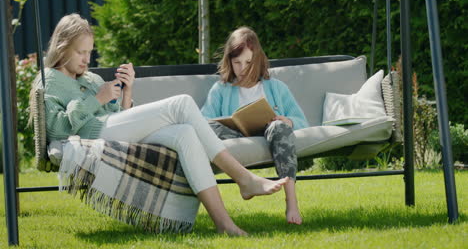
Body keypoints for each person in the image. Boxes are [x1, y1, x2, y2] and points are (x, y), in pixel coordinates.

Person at [31, 14, 289, 236]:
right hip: (95, 133)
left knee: (185, 133)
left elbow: (120, 116)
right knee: (182, 104)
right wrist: (97, 98)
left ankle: (224, 224)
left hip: (110, 128)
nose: (87, 59)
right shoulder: (49, 80)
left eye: (90, 51)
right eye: (81, 52)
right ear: (63, 47)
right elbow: (58, 129)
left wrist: (127, 92)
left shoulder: (91, 78)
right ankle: (243, 178)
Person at [201, 26, 309, 225]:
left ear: (258, 60)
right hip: (235, 135)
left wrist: (287, 120)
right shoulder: (220, 89)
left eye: (248, 62)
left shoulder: (276, 87)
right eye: (237, 62)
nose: (243, 68)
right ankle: (248, 182)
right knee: (207, 127)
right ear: (229, 62)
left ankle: (291, 202)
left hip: (270, 133)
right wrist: (226, 121)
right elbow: (203, 121)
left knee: (280, 128)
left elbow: (302, 121)